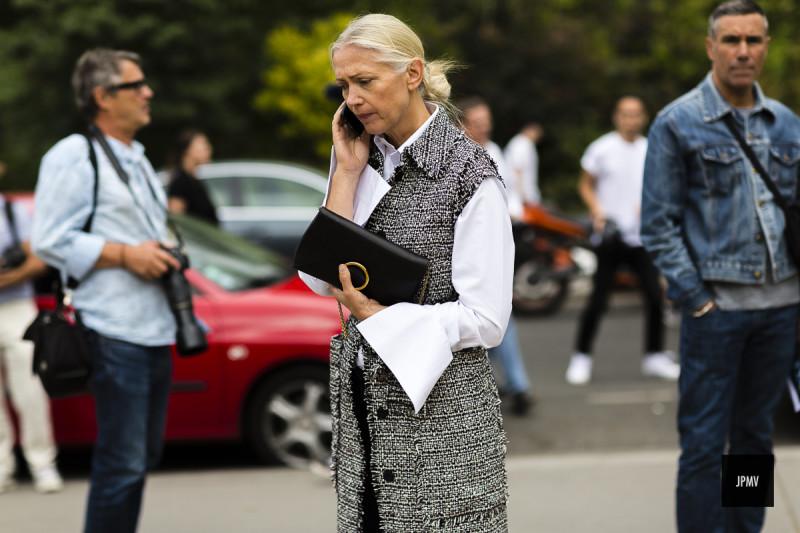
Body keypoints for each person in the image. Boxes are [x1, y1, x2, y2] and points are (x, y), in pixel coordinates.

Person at [298, 14, 513, 531]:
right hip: (363, 411)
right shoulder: (355, 155)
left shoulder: (469, 173)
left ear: (412, 73)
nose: (352, 98)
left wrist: (380, 317)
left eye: (365, 81)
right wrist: (347, 173)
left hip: (442, 421)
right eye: (344, 84)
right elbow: (318, 278)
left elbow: (487, 318)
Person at [641, 2, 800, 531]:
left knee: (753, 441)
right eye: (731, 40)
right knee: (706, 446)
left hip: (781, 310)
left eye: (753, 41)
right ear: (711, 46)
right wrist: (698, 299)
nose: (743, 51)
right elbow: (657, 225)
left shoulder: (787, 125)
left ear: (765, 47)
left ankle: (744, 528)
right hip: (717, 311)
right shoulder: (678, 122)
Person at [32, 48, 181, 532]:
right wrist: (126, 254)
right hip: (113, 327)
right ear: (102, 96)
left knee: (141, 457)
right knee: (123, 463)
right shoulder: (74, 154)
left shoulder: (135, 156)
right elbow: (49, 241)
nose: (147, 92)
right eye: (135, 85)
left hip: (155, 324)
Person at [566, 96, 679, 385]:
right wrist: (597, 209)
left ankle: (654, 355)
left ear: (643, 118)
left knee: (655, 297)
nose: (631, 120)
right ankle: (581, 357)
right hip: (611, 236)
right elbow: (585, 184)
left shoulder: (650, 148)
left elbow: (661, 187)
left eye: (636, 114)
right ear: (617, 117)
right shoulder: (602, 149)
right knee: (599, 299)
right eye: (626, 114)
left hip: (641, 237)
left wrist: (653, 205)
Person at [459, 96, 534, 416]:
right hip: (472, 251)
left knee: (496, 317)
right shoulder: (458, 156)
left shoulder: (494, 150)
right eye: (479, 121)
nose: (486, 126)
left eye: (488, 120)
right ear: (463, 124)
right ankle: (511, 385)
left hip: (499, 246)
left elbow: (509, 195)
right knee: (492, 318)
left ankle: (504, 386)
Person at [0, 190, 63, 494]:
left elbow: (37, 262)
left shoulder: (14, 211)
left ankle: (42, 462)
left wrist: (8, 277)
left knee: (30, 389)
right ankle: (2, 466)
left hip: (16, 308)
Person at [166, 129, 218, 225]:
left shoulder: (194, 180)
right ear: (187, 151)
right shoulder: (180, 182)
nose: (209, 149)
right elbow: (176, 222)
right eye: (203, 145)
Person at [504, 119, 544, 218]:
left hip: (520, 200)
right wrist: (523, 199)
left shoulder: (520, 143)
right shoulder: (522, 144)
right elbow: (517, 171)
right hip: (519, 202)